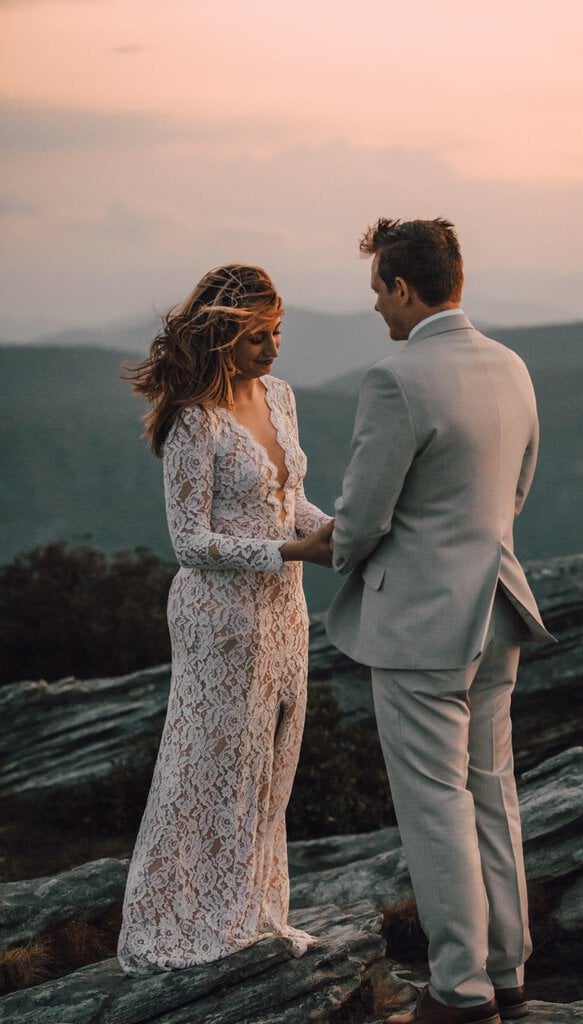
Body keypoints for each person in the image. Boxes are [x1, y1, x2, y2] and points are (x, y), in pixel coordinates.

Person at [326, 219, 555, 1024]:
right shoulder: (511, 365)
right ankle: (509, 968)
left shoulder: (397, 377)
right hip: (498, 609)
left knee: (435, 806)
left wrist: (322, 546)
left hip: (422, 625)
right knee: (493, 791)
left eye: (378, 291)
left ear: (402, 286)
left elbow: (361, 518)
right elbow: (516, 490)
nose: (376, 308)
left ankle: (460, 990)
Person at [118, 264, 333, 975]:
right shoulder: (194, 420)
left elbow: (289, 502)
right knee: (209, 764)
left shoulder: (281, 397)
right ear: (220, 336)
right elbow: (189, 541)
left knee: (271, 760)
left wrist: (338, 532)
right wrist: (289, 550)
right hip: (219, 618)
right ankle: (184, 918)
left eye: (277, 333)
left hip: (285, 611)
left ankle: (250, 908)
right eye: (256, 337)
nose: (272, 348)